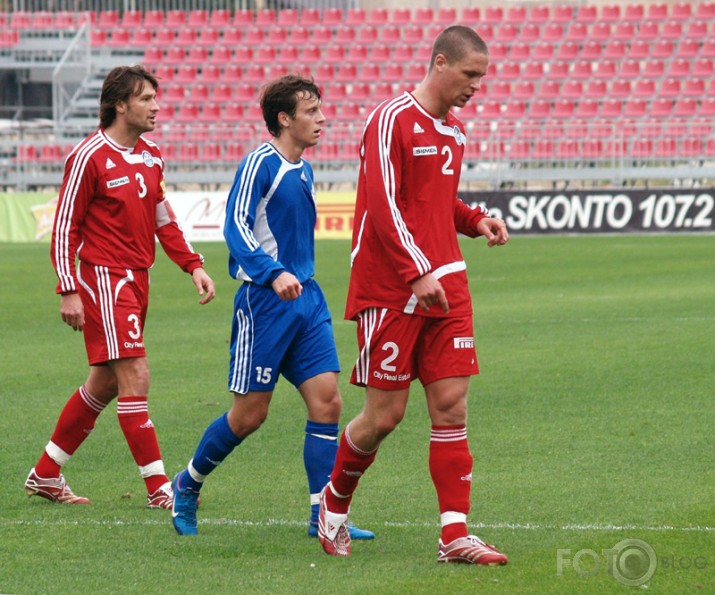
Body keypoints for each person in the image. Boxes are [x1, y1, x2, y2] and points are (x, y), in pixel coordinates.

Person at [317, 26, 510, 565]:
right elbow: (381, 202)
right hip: (392, 287)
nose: (476, 86)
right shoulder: (390, 120)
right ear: (440, 62)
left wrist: (476, 220)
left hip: (447, 285)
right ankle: (333, 507)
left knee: (451, 408)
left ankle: (455, 535)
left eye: (482, 78)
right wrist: (415, 270)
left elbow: (437, 202)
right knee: (384, 416)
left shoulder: (455, 132)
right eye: (470, 75)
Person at [170, 74, 373, 541]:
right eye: (311, 111)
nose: (322, 118)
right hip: (264, 303)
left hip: (307, 298)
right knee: (249, 416)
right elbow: (235, 226)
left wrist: (293, 274)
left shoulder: (303, 168)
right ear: (285, 119)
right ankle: (188, 483)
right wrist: (271, 270)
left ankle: (324, 516)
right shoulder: (261, 162)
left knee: (328, 401)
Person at [25, 65, 216, 509]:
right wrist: (68, 287)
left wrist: (193, 265)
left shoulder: (151, 155)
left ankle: (46, 473)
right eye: (146, 99)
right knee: (136, 375)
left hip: (138, 278)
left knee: (105, 384)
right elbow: (64, 228)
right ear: (120, 105)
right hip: (104, 280)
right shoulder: (88, 156)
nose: (156, 106)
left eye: (155, 98)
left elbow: (162, 217)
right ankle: (160, 489)